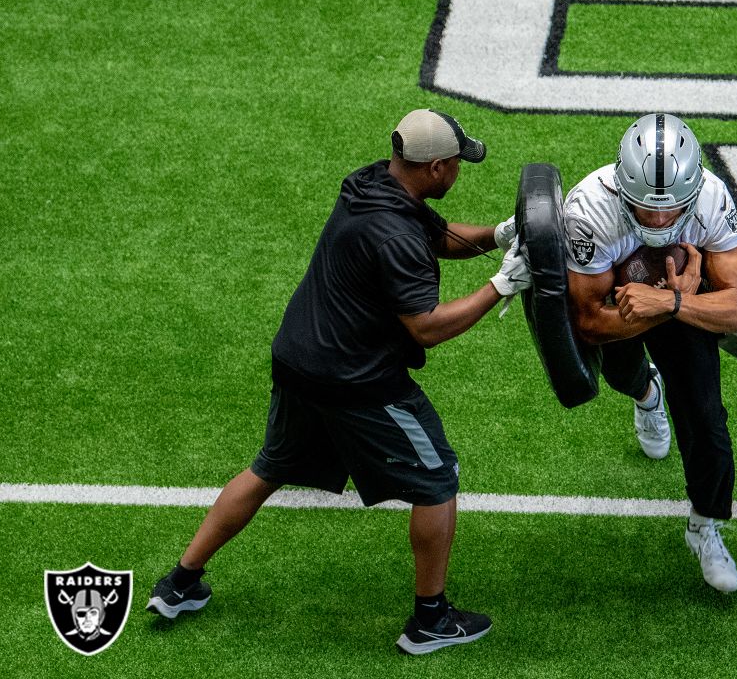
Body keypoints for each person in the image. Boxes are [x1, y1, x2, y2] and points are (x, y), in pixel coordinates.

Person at [145, 109, 532, 653]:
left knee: (268, 468)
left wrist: (499, 235)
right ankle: (430, 621)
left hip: (300, 360)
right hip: (358, 382)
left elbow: (436, 236)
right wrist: (501, 285)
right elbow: (425, 328)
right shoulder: (394, 234)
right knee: (438, 477)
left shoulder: (374, 182)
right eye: (458, 164)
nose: (460, 172)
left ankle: (180, 583)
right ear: (439, 167)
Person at [562, 113, 737, 593]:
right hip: (622, 308)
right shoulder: (589, 211)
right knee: (622, 375)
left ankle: (704, 524)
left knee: (707, 419)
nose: (660, 220)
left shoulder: (711, 196)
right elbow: (587, 322)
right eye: (647, 209)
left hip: (676, 302)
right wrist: (667, 304)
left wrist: (672, 302)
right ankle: (648, 393)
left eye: (671, 211)